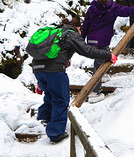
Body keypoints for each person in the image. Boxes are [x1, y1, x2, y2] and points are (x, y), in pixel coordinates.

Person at [31, 15, 117, 144]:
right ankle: (55, 133)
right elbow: (87, 50)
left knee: (50, 94)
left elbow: (50, 54)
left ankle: (44, 117)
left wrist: (41, 80)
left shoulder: (55, 32)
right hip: (55, 72)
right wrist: (107, 55)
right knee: (61, 100)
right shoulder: (71, 34)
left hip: (38, 69)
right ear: (78, 27)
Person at [81, 0, 134, 102]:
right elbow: (128, 11)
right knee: (98, 64)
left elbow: (85, 25)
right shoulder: (112, 7)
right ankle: (94, 92)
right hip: (103, 40)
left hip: (91, 40)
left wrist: (80, 40)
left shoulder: (92, 8)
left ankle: (105, 74)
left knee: (104, 55)